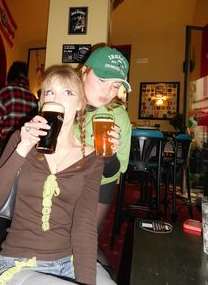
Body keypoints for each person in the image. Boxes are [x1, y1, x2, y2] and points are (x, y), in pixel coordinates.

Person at [0, 65, 104, 285]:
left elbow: (84, 227)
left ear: (80, 104)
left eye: (67, 92)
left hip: (68, 262)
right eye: (50, 93)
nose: (57, 99)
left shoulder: (92, 158)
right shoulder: (21, 140)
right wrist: (22, 149)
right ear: (42, 102)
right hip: (17, 263)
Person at [75, 46, 132, 271]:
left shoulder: (118, 115)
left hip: (99, 186)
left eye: (115, 85)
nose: (107, 91)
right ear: (84, 72)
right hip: (61, 182)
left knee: (85, 242)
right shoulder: (63, 101)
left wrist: (108, 157)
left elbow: (116, 172)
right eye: (102, 79)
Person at [0, 61, 38, 142]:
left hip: (6, 143)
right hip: (26, 143)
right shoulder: (33, 97)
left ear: (11, 75)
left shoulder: (6, 91)